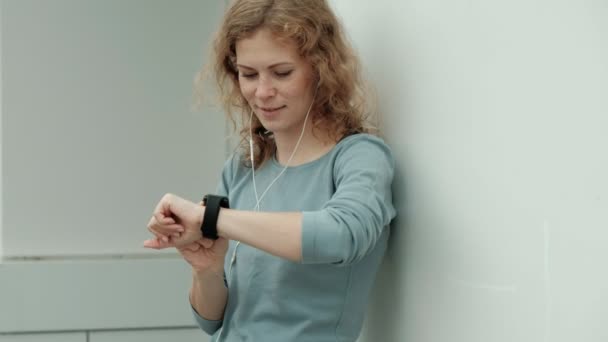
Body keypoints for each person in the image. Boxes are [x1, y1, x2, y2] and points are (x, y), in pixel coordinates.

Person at [144, 0, 396, 341]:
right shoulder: (244, 166)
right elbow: (210, 321)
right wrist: (207, 268)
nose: (262, 92)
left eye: (281, 73)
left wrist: (210, 218)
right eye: (249, 74)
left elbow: (342, 235)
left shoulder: (359, 157)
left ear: (321, 68)